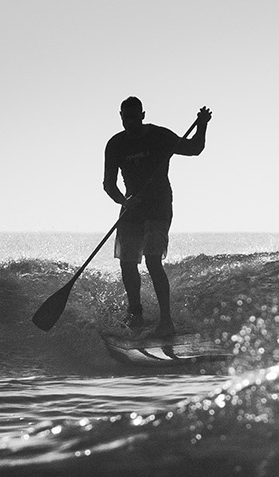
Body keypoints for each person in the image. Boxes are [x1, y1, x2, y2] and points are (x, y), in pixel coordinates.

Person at [103, 97, 211, 338]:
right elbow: (109, 184)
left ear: (143, 115)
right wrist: (124, 201)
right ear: (121, 117)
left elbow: (194, 148)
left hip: (159, 206)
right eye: (125, 118)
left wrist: (202, 124)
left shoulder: (160, 136)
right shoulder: (115, 144)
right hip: (131, 207)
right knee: (127, 263)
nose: (129, 122)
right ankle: (136, 314)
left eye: (134, 117)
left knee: (153, 260)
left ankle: (166, 320)